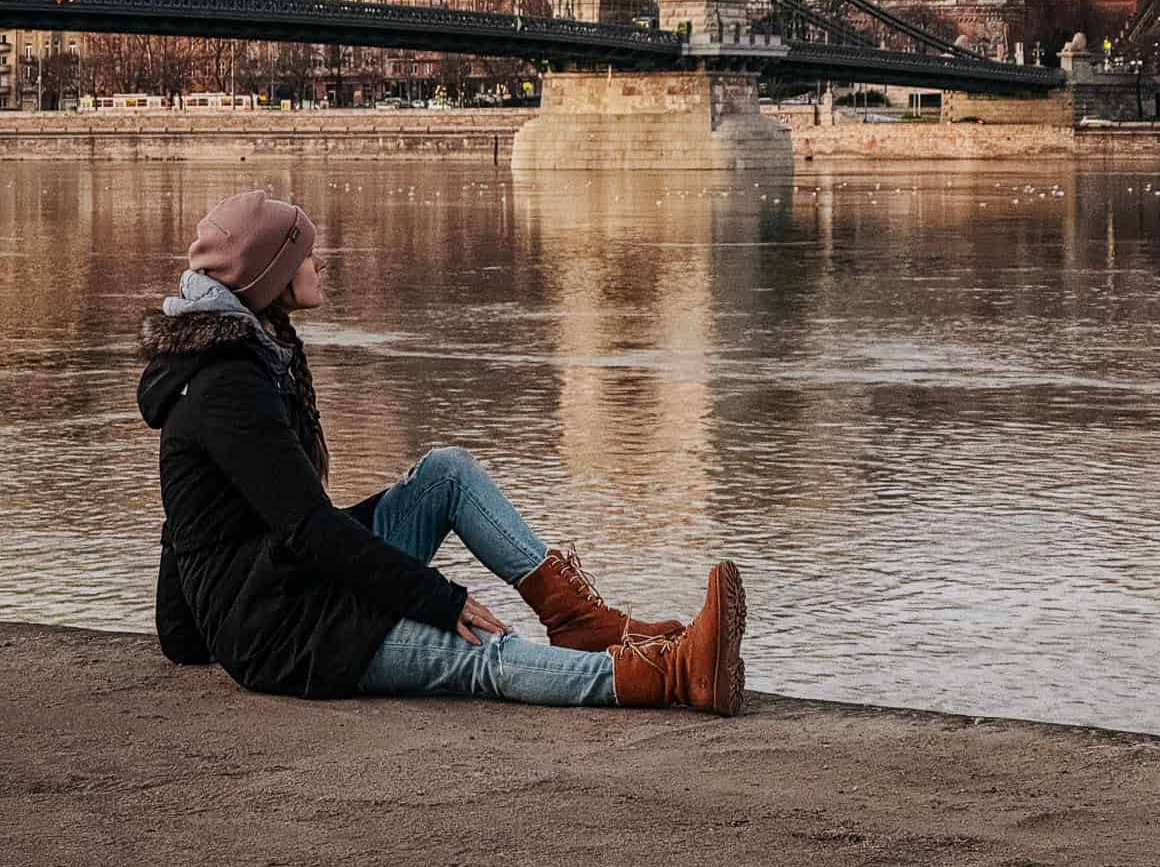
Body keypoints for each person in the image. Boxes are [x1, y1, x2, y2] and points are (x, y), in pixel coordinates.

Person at [137, 191, 747, 715]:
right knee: (481, 650)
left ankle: (578, 622)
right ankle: (673, 675)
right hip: (287, 631)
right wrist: (438, 599)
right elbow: (309, 527)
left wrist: (182, 633)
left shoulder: (262, 352)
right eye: (303, 255)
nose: (320, 263)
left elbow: (192, 515)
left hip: (296, 582)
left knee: (444, 475)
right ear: (270, 275)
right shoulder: (226, 385)